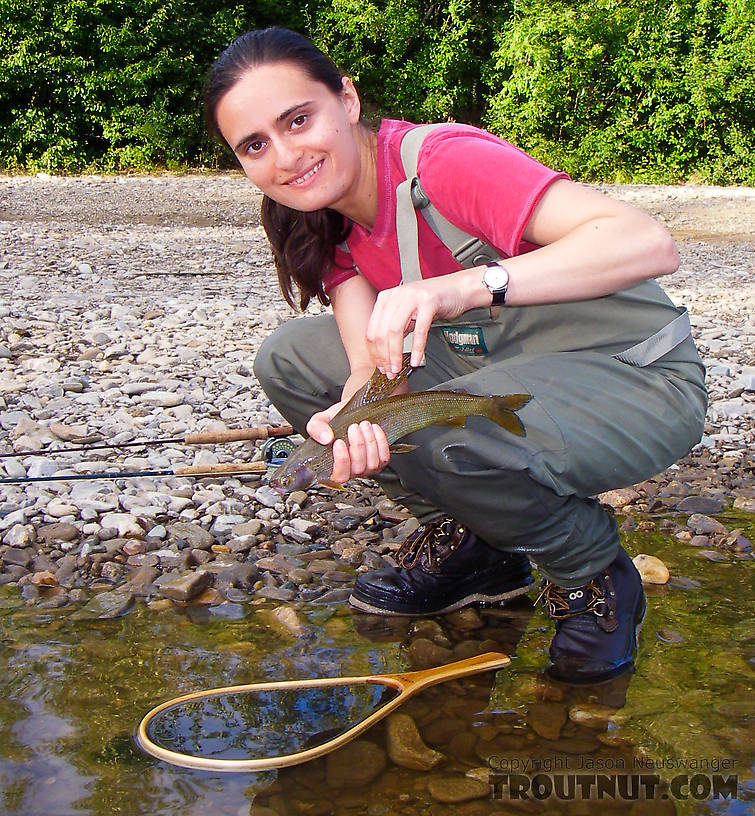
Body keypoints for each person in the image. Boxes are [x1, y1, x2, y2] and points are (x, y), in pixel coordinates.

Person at [204, 27, 707, 683]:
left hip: (636, 378)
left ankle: (592, 576)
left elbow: (646, 242)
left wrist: (468, 284)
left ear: (347, 100)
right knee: (293, 359)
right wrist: (351, 428)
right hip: (507, 374)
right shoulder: (320, 216)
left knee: (449, 432)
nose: (286, 156)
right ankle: (477, 546)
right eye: (255, 145)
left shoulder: (444, 161)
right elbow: (369, 371)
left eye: (297, 120)